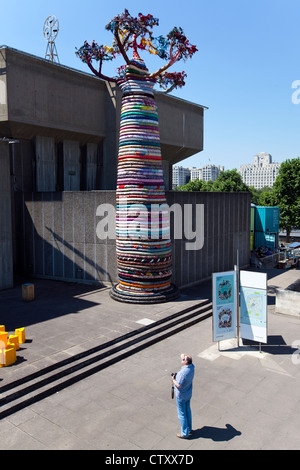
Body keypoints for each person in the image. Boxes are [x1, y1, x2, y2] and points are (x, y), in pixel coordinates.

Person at [172, 353, 195, 439]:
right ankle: (189, 428)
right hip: (188, 393)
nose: (182, 359)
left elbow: (179, 385)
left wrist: (173, 379)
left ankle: (184, 433)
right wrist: (184, 356)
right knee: (188, 410)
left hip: (181, 395)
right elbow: (186, 357)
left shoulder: (183, 373)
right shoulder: (192, 367)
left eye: (183, 359)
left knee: (181, 414)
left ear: (185, 362)